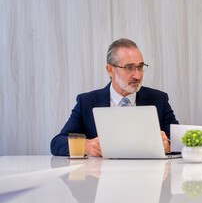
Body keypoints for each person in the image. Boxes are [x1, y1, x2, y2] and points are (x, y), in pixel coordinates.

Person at [51, 38, 179, 156]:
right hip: (100, 176)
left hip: (146, 176)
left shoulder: (158, 99)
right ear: (110, 70)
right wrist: (86, 146)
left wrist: (168, 145)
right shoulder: (87, 102)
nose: (138, 76)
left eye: (140, 67)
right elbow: (57, 143)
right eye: (129, 68)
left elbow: (180, 141)